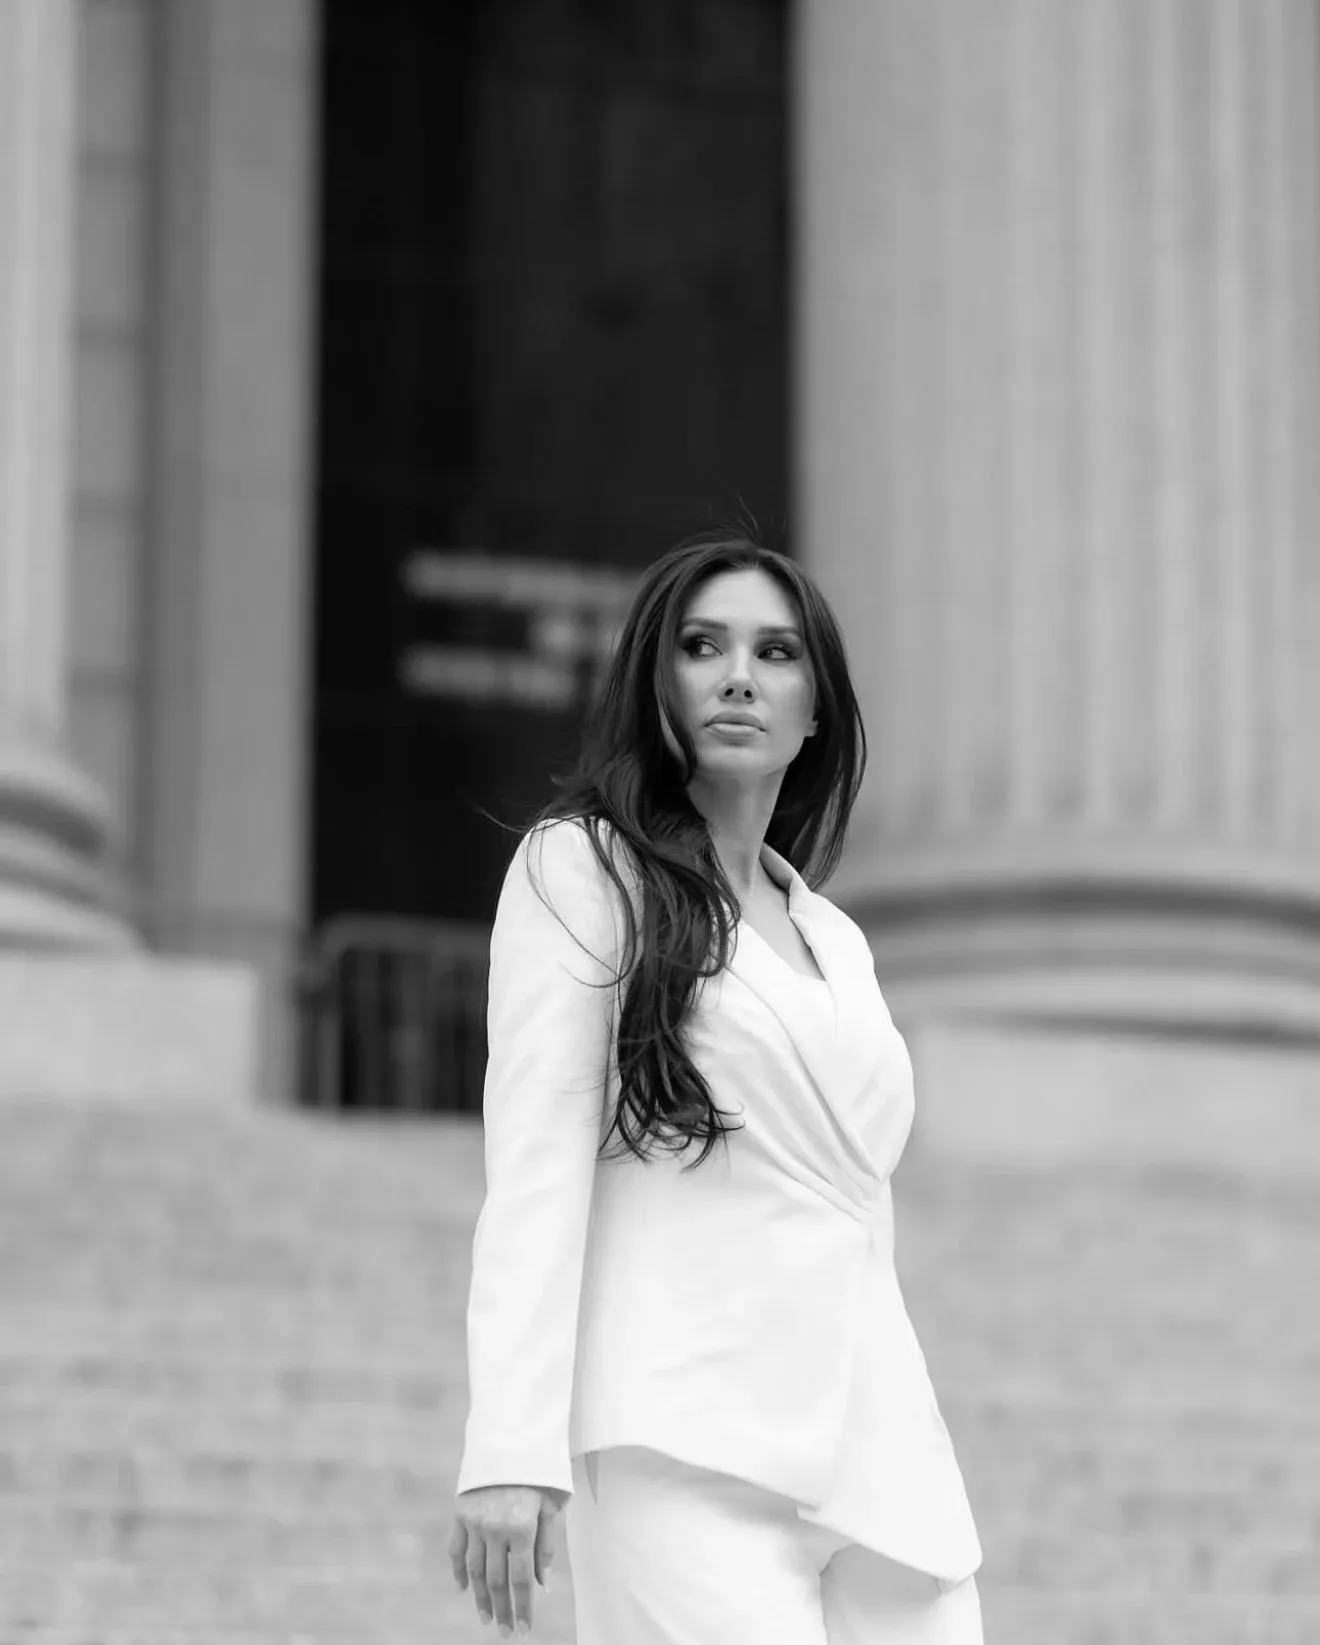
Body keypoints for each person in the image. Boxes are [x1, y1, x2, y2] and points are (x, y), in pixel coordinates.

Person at [448, 534, 984, 1643]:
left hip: (883, 1461)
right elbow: (536, 1162)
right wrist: (509, 1444)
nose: (739, 673)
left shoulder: (837, 938)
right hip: (680, 1440)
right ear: (661, 681)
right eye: (704, 645)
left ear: (817, 708)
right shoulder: (581, 867)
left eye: (776, 652)